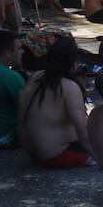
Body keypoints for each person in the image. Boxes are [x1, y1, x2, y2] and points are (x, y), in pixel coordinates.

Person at [17, 36, 93, 168]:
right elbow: (82, 131)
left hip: (32, 151)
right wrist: (101, 158)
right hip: (56, 155)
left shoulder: (36, 76)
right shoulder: (69, 86)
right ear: (73, 63)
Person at [0, 31, 26, 148]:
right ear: (7, 54)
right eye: (19, 48)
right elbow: (28, 109)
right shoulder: (11, 77)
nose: (22, 52)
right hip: (5, 136)